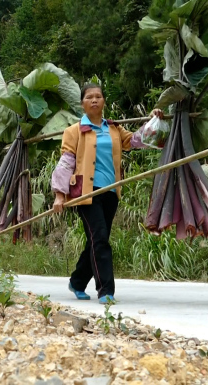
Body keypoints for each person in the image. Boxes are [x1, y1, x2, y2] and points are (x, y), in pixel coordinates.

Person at [51, 83, 164, 304]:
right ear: (82, 103)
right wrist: (59, 195)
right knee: (100, 238)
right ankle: (106, 290)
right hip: (85, 194)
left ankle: (76, 281)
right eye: (89, 97)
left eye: (98, 97)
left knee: (95, 239)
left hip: (110, 192)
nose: (94, 100)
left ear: (104, 101)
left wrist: (153, 120)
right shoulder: (74, 132)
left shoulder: (113, 129)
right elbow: (65, 164)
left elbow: (136, 141)